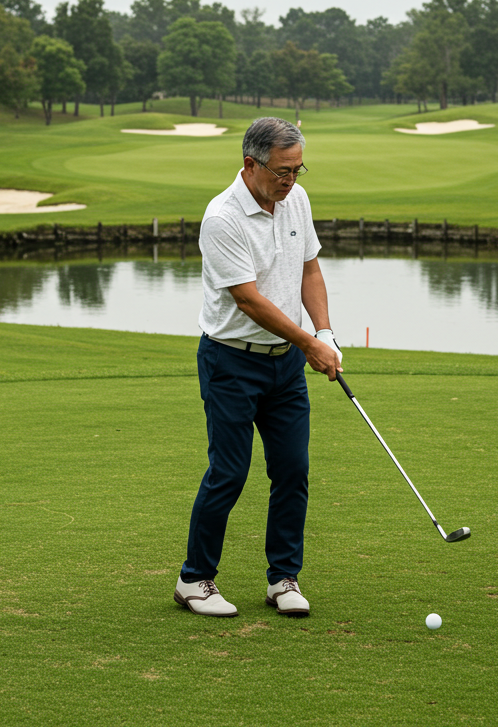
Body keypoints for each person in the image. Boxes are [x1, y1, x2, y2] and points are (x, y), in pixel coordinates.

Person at [174, 117, 343, 619]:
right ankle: (194, 580)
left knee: (293, 470)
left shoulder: (297, 199)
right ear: (251, 164)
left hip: (285, 365)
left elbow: (310, 267)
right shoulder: (222, 218)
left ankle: (283, 578)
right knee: (229, 472)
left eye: (298, 169)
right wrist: (309, 342)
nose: (290, 180)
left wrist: (325, 332)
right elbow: (247, 299)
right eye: (281, 171)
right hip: (231, 361)